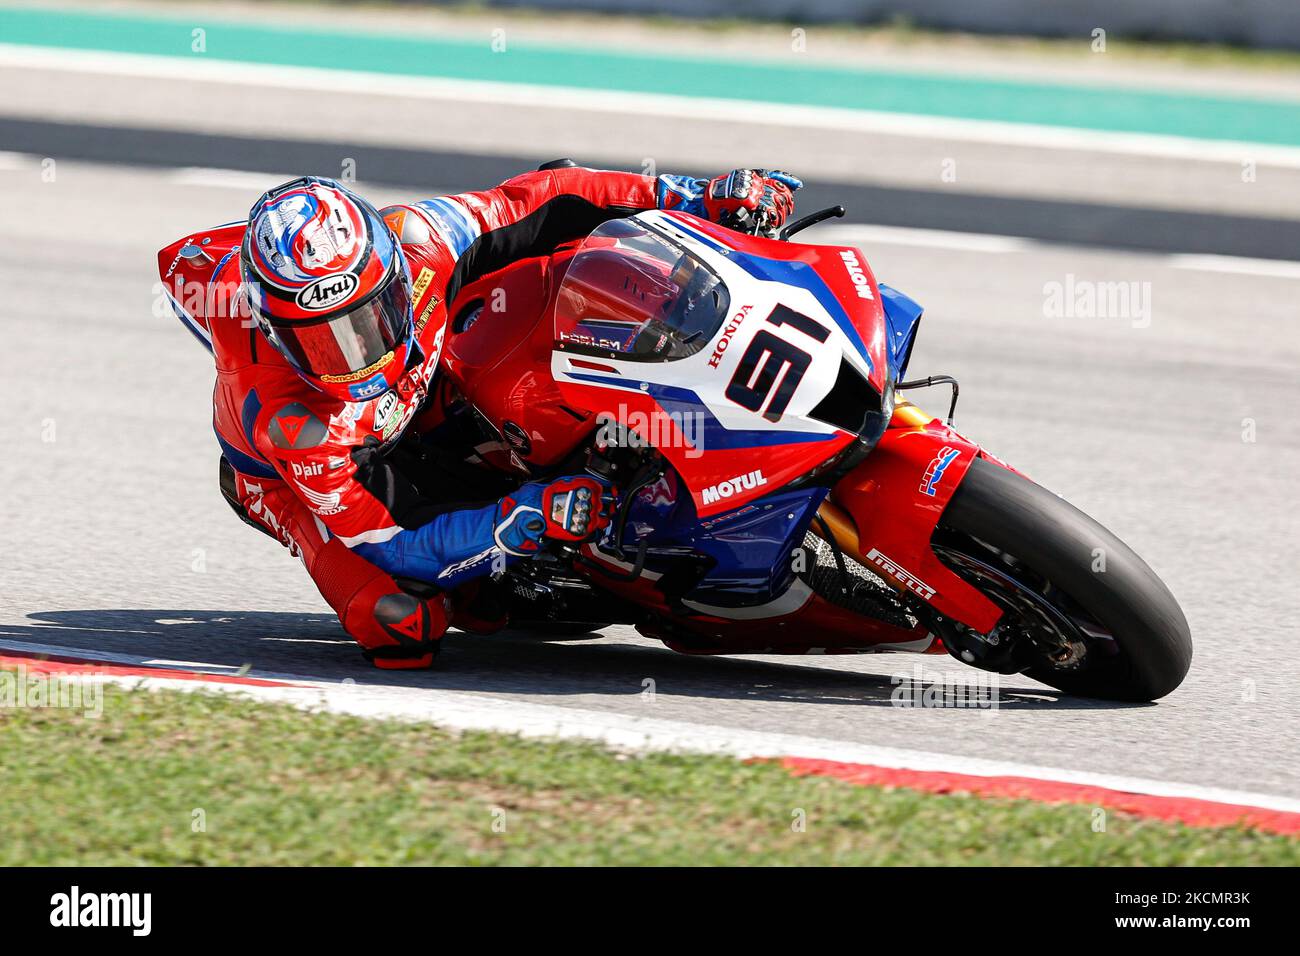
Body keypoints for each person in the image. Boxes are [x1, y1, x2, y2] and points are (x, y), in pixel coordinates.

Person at [160, 163, 801, 668]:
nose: (360, 354)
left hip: (433, 390)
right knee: (400, 625)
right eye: (325, 342)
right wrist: (522, 518)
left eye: (369, 319)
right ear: (278, 333)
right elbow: (396, 539)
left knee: (572, 250)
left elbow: (540, 196)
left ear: (389, 272)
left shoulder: (417, 240)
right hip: (308, 483)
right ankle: (504, 569)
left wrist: (692, 196)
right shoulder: (292, 421)